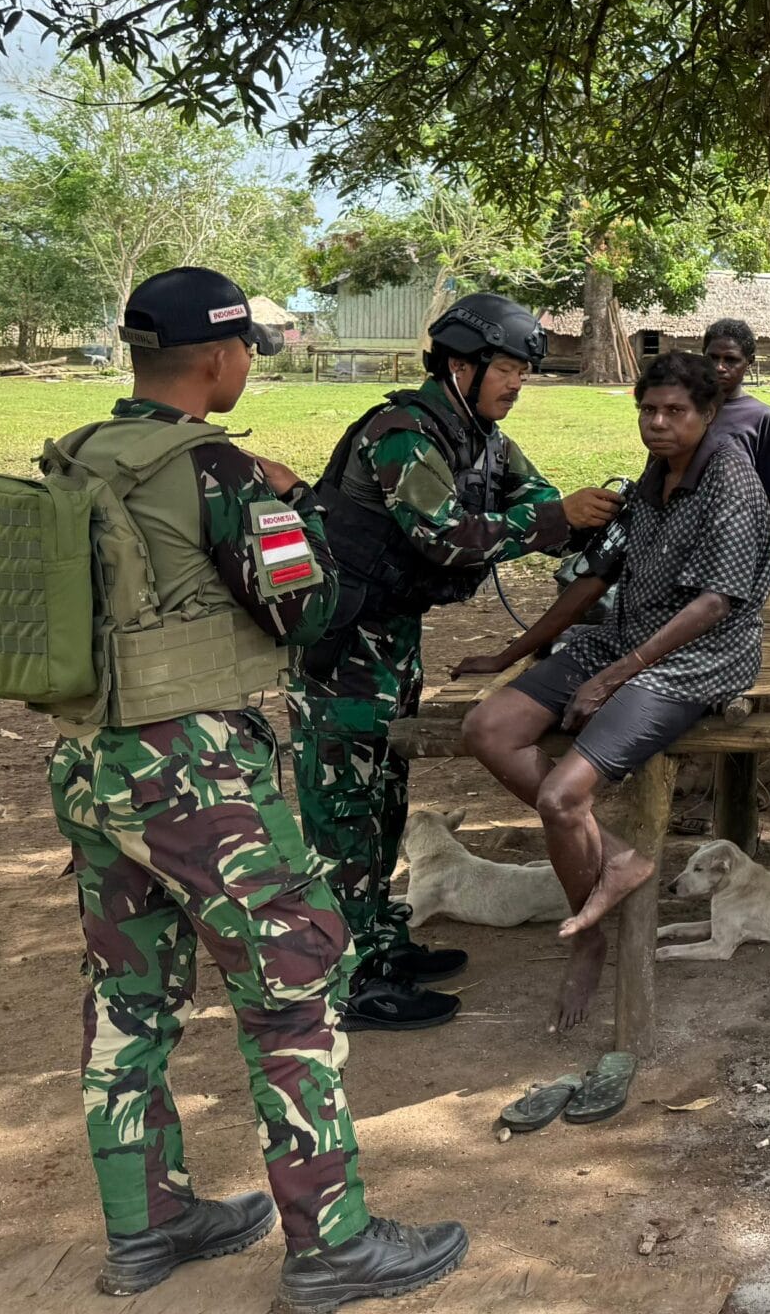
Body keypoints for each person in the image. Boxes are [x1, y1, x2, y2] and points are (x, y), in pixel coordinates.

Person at [0, 267, 466, 1310]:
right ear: (218, 358)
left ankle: (149, 1223)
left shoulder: (84, 452)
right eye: (248, 346)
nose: (249, 361)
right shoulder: (213, 468)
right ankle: (332, 1242)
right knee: (296, 976)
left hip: (89, 760)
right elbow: (304, 612)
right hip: (191, 766)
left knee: (129, 995)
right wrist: (293, 504)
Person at [294, 294, 622, 1030]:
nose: (517, 383)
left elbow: (532, 493)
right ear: (460, 365)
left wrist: (562, 515)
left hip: (392, 640)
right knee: (343, 810)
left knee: (383, 796)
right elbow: (446, 537)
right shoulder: (402, 433)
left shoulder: (478, 436)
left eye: (523, 372)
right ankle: (342, 984)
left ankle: (379, 944)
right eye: (507, 368)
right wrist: (550, 521)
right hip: (344, 645)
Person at [456, 351, 770, 1028]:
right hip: (622, 640)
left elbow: (716, 603)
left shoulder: (733, 483)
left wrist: (613, 675)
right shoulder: (652, 478)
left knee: (561, 794)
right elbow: (597, 577)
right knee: (486, 729)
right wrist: (511, 652)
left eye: (675, 412)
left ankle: (588, 938)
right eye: (648, 410)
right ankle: (620, 858)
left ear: (709, 414)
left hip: (696, 656)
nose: (658, 424)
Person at [702, 317, 770, 548]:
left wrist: (767, 559)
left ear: (749, 362)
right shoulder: (683, 411)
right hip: (680, 548)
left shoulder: (762, 420)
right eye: (712, 358)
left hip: (733, 547)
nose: (719, 367)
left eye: (731, 360)